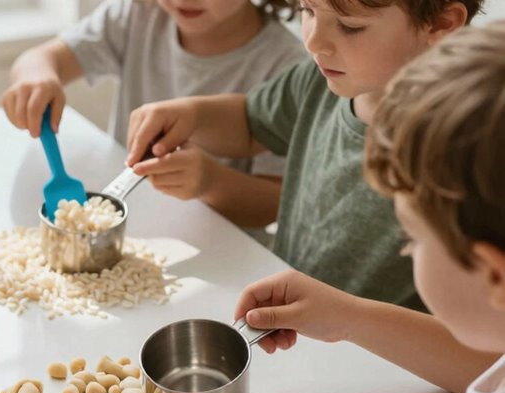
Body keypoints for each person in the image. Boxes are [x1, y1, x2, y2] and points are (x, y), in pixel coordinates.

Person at [145, 21, 505, 393]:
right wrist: (349, 316)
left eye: (412, 237)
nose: (408, 251)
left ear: (492, 275)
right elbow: (487, 361)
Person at [126, 0, 481, 310]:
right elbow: (250, 124)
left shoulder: (471, 149)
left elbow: (485, 354)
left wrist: (348, 319)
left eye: (349, 26)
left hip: (384, 372)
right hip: (291, 333)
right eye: (307, 9)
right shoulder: (323, 80)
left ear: (441, 24)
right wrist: (192, 115)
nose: (312, 41)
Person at [3, 0, 305, 234]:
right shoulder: (139, 13)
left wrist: (210, 182)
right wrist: (36, 78)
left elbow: (273, 204)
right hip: (136, 230)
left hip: (224, 256)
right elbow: (40, 58)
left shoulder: (290, 67)